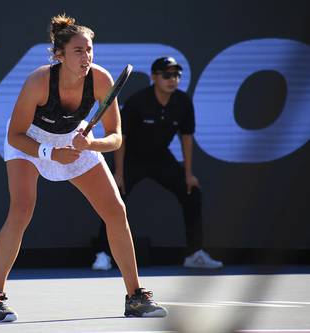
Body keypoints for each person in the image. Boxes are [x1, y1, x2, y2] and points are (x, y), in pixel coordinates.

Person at [0, 14, 167, 322]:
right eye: (79, 51)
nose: (87, 57)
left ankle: (135, 296)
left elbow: (116, 137)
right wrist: (50, 152)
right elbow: (15, 134)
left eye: (90, 49)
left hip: (75, 140)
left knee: (115, 210)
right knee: (22, 210)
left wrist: (90, 146)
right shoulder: (39, 82)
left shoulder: (102, 80)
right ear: (59, 55)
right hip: (30, 142)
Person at [91, 56, 223, 271]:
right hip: (131, 158)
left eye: (177, 75)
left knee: (192, 192)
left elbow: (186, 137)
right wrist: (119, 173)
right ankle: (103, 254)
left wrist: (189, 174)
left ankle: (194, 253)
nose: (173, 79)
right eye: (167, 75)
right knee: (114, 198)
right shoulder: (138, 101)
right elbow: (120, 138)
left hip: (161, 157)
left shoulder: (183, 102)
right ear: (154, 77)